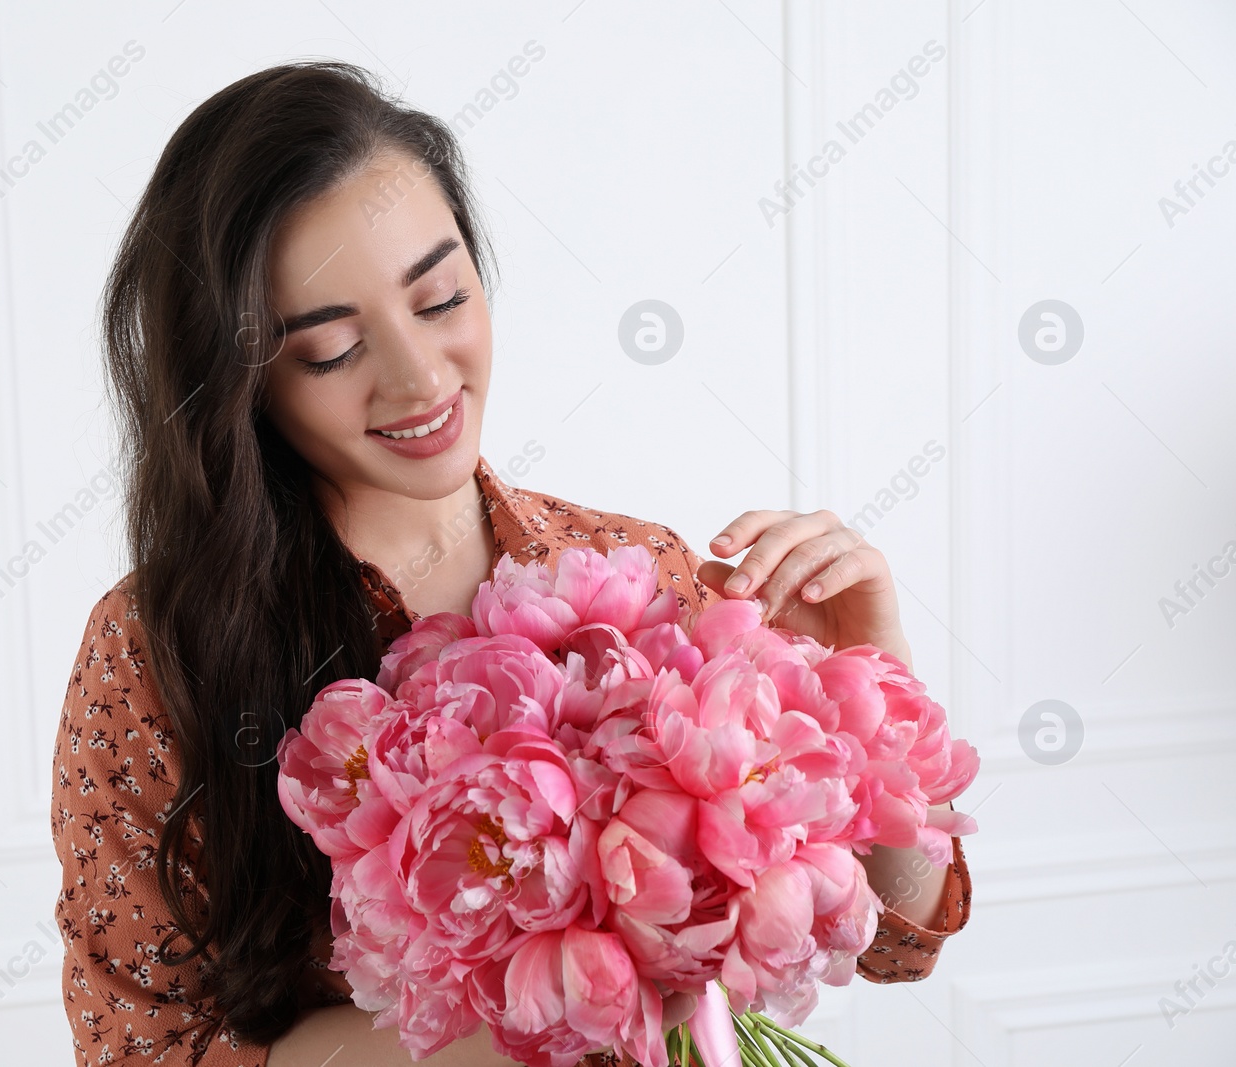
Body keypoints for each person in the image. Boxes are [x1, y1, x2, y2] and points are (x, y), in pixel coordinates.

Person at [50, 60, 972, 1067]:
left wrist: (870, 689)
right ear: (242, 380)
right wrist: (521, 1024)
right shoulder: (160, 649)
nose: (417, 376)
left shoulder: (628, 573)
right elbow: (145, 1043)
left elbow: (894, 938)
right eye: (329, 349)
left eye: (440, 297)